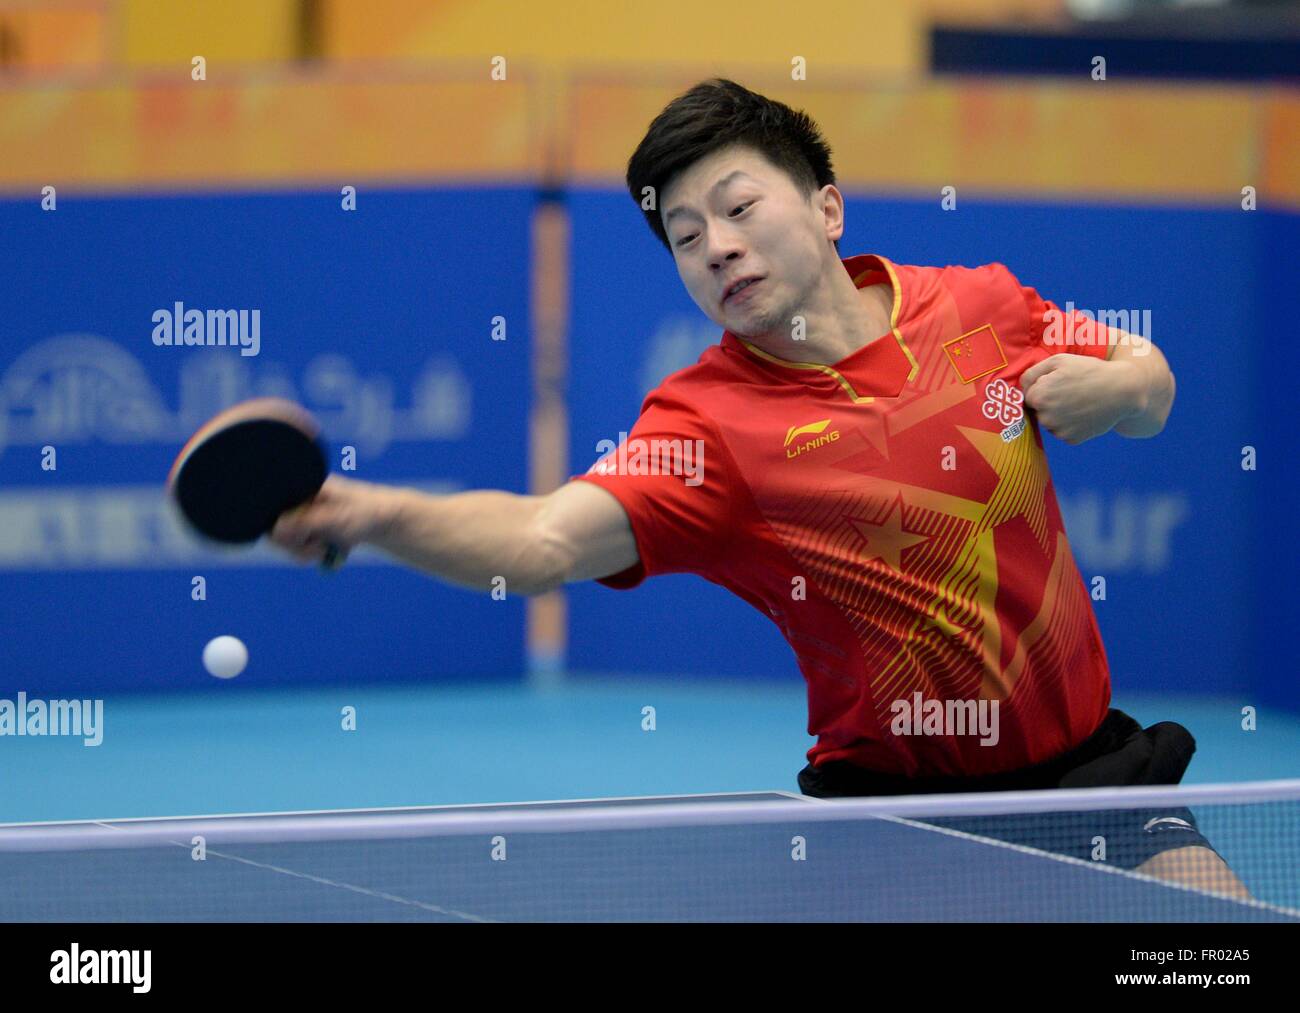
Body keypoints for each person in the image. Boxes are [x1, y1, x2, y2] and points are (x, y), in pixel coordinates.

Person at [271, 79, 1243, 897]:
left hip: (1094, 780)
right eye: (685, 236)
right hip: (896, 819)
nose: (717, 247)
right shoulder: (706, 428)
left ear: (827, 208)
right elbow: (541, 541)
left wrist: (1124, 387)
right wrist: (370, 512)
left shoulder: (979, 304)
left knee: (1219, 946)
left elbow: (1149, 379)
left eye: (738, 209)